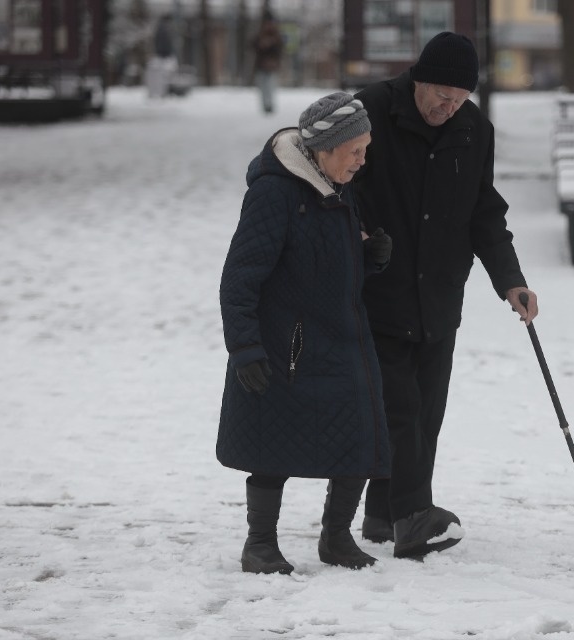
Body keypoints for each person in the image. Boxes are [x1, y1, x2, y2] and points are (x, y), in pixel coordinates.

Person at [351, 32, 539, 560]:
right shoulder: (371, 111)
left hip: (438, 295)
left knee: (427, 411)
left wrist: (511, 281)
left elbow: (484, 212)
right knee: (400, 407)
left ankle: (384, 513)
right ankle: (414, 517)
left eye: (458, 99)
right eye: (439, 94)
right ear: (419, 79)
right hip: (379, 289)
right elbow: (338, 187)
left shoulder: (474, 129)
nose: (447, 107)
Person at [217, 92, 393, 575]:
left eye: (366, 148)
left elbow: (329, 267)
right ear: (324, 147)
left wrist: (367, 259)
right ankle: (260, 545)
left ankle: (336, 539)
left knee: (362, 435)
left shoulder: (338, 188)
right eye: (355, 149)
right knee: (273, 445)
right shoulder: (275, 194)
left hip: (342, 338)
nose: (362, 160)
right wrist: (245, 347)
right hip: (285, 344)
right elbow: (240, 278)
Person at [251, 11, 284, 114]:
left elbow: (280, 49)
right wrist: (262, 44)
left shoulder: (276, 35)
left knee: (270, 86)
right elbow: (253, 46)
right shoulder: (260, 34)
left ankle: (270, 106)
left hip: (272, 66)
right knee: (262, 87)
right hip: (261, 66)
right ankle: (265, 106)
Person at [146, 15, 177, 98]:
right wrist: (165, 53)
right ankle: (162, 92)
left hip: (162, 55)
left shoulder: (160, 28)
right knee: (163, 75)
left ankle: (160, 92)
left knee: (162, 75)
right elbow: (164, 43)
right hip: (163, 56)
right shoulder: (164, 29)